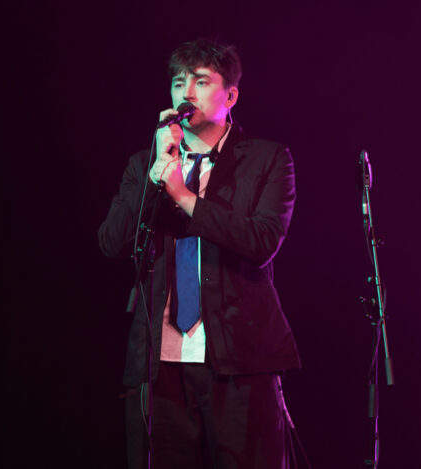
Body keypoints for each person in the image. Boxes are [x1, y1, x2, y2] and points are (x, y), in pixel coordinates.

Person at [99, 38, 301, 468]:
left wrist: (184, 197)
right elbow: (112, 242)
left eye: (201, 81)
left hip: (240, 363)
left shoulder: (267, 159)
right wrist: (157, 174)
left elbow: (262, 242)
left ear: (230, 96)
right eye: (178, 83)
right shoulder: (146, 163)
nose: (185, 94)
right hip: (159, 366)